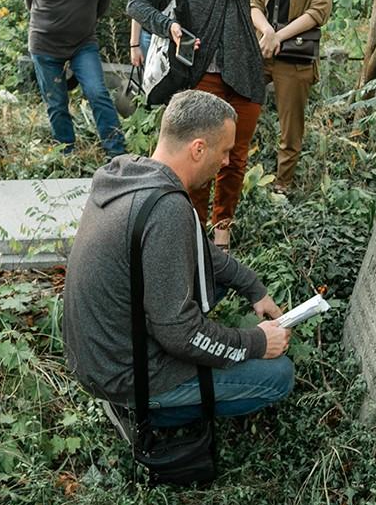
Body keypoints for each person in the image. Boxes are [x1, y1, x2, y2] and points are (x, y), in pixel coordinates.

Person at [63, 89, 293, 437]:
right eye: (225, 151)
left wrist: (253, 288)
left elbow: (201, 251)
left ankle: (141, 403)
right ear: (198, 148)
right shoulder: (166, 210)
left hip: (98, 359)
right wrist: (257, 344)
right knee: (278, 377)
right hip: (127, 374)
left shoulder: (131, 175)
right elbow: (180, 334)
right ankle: (142, 415)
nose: (227, 162)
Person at [127, 0, 261, 249]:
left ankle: (223, 228)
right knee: (200, 156)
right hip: (202, 75)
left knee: (235, 157)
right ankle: (193, 229)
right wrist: (166, 24)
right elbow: (137, 2)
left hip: (244, 72)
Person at [22, 0, 126, 158]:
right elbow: (29, 1)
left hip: (83, 44)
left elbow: (102, 5)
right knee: (56, 103)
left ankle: (117, 154)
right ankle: (66, 154)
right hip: (44, 45)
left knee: (97, 92)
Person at [250, 0, 333, 193]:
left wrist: (279, 36)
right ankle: (239, 170)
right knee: (242, 109)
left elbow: (318, 11)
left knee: (290, 125)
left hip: (294, 54)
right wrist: (268, 32)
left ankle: (283, 184)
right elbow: (254, 3)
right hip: (262, 47)